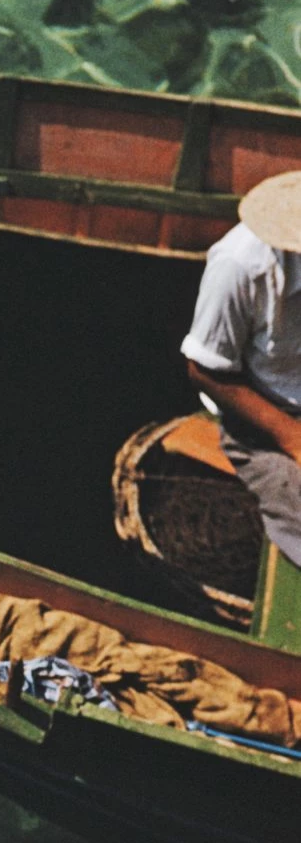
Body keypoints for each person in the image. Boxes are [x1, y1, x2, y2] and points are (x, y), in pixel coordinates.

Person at [181, 169, 301, 570]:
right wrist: (292, 437)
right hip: (267, 417)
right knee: (293, 493)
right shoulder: (239, 266)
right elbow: (205, 370)